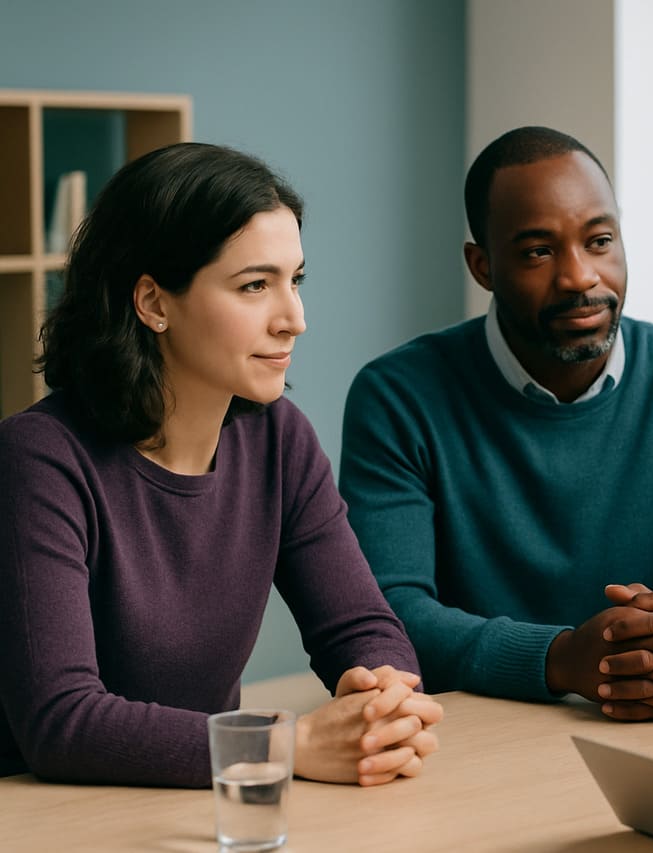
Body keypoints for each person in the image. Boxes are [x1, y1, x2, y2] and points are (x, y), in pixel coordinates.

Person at [340, 126, 653, 721]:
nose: (579, 277)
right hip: (462, 735)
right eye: (538, 252)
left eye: (599, 241)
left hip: (642, 736)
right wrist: (561, 657)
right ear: (483, 266)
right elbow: (386, 614)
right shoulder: (399, 396)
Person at [0, 143, 443, 788]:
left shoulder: (280, 439)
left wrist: (380, 690)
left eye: (295, 280)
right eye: (255, 286)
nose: (295, 319)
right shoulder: (37, 460)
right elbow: (61, 723)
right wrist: (283, 747)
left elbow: (360, 623)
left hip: (206, 800)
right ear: (153, 301)